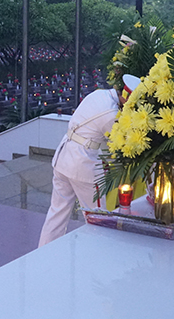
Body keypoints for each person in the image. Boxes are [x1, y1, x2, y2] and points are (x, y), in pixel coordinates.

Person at [37, 74, 141, 247]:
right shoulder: (112, 114)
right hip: (82, 165)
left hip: (63, 157)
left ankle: (42, 253)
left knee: (57, 213)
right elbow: (118, 144)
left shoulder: (99, 94)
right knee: (97, 218)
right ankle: (96, 255)